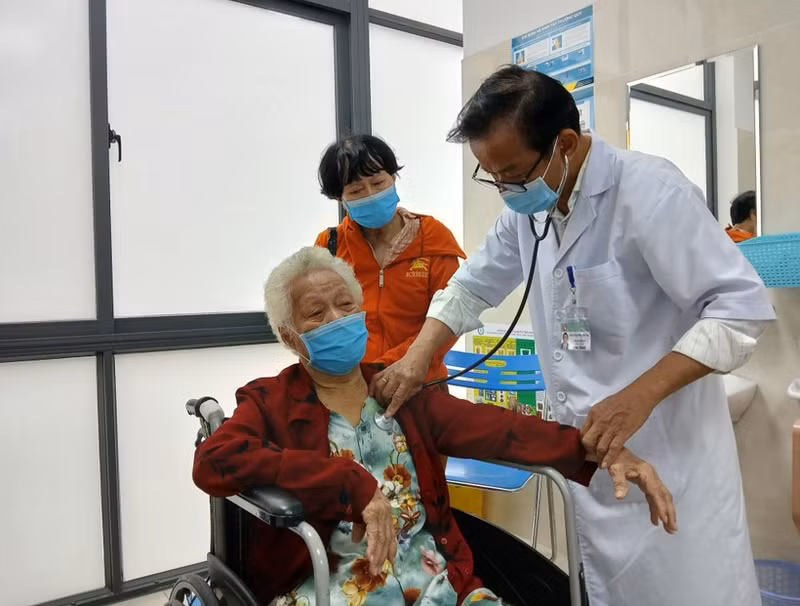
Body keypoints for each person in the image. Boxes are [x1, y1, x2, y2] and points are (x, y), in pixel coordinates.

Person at [370, 66, 776, 606]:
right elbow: (470, 288)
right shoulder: (531, 210)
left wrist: (640, 395)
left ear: (564, 143)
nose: (504, 189)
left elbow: (740, 310)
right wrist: (418, 358)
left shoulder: (648, 192)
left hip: (668, 454)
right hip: (587, 458)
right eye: (490, 175)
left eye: (512, 174)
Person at [192, 246, 677, 606]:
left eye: (346, 305)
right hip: (328, 585)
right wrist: (345, 480)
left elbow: (499, 430)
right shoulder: (270, 401)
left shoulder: (397, 391)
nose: (338, 319)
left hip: (435, 580)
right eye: (317, 314)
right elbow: (214, 460)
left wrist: (599, 449)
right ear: (290, 337)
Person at [314, 135, 465, 384]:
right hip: (354, 385)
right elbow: (318, 318)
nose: (370, 194)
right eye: (356, 190)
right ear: (340, 198)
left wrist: (399, 363)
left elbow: (452, 316)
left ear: (394, 178)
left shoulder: (433, 238)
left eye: (378, 183)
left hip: (420, 380)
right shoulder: (329, 246)